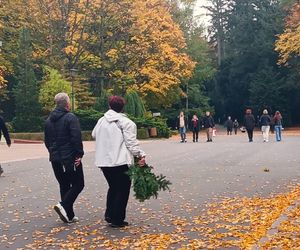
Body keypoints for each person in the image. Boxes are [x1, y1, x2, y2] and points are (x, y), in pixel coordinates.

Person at [92, 96, 146, 228]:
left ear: (110, 106)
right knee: (122, 190)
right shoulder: (127, 123)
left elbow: (94, 134)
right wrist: (140, 155)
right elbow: (131, 143)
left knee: (113, 187)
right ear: (122, 107)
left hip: (103, 161)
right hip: (120, 161)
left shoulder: (101, 121)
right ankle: (117, 218)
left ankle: (109, 214)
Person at [44, 93, 84, 223]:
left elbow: (47, 141)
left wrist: (52, 152)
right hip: (69, 157)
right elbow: (76, 137)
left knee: (64, 184)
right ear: (67, 104)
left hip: (55, 158)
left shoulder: (49, 120)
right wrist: (79, 154)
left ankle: (69, 215)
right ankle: (64, 205)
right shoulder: (70, 117)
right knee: (78, 184)